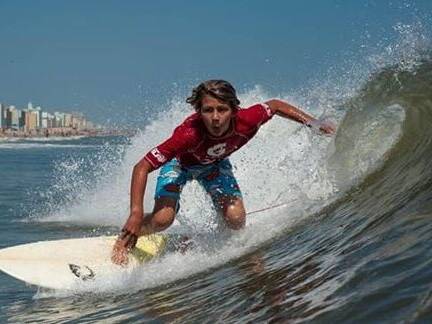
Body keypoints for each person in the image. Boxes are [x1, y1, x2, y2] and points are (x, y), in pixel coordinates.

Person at [112, 80, 335, 264]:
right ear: (199, 112)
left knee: (236, 220)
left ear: (234, 110)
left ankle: (202, 239)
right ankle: (127, 237)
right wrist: (136, 213)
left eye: (222, 109)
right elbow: (142, 166)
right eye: (208, 110)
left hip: (214, 165)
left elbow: (275, 105)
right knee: (163, 219)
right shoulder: (188, 135)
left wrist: (311, 122)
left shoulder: (247, 120)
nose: (216, 117)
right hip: (179, 165)